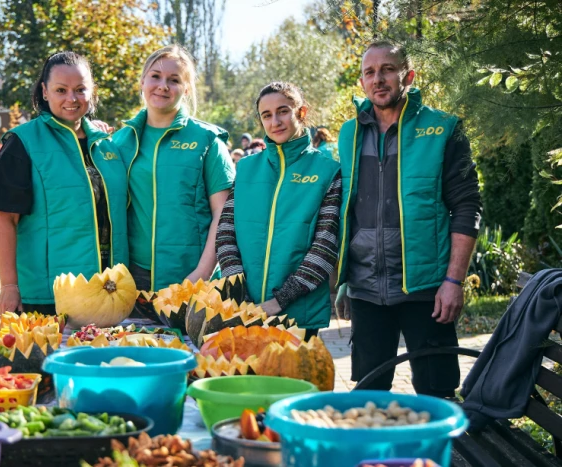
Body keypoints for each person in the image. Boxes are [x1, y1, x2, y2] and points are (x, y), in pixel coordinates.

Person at [334, 40, 482, 397]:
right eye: (370, 72)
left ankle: (440, 454)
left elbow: (467, 207)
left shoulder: (443, 129)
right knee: (370, 394)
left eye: (387, 69)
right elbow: (345, 208)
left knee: (437, 391)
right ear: (361, 82)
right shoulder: (349, 133)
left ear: (408, 76)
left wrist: (453, 281)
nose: (378, 79)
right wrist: (343, 279)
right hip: (366, 289)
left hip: (426, 288)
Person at [0, 51, 129, 316]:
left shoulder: (108, 145)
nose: (71, 99)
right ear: (44, 91)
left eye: (80, 89)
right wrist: (9, 286)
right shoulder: (22, 143)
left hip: (112, 290)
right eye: (60, 90)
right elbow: (5, 219)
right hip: (49, 297)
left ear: (92, 91)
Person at [216, 82, 342, 338]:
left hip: (299, 314)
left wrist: (280, 301)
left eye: (283, 111)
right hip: (245, 311)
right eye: (266, 115)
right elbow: (226, 232)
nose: (275, 121)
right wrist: (239, 291)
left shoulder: (328, 171)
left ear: (301, 112)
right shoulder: (246, 169)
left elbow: (326, 246)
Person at [111, 44, 235, 294]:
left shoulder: (207, 139)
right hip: (131, 280)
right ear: (142, 82)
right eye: (155, 76)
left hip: (191, 276)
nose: (163, 85)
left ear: (186, 89)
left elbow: (224, 213)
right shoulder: (119, 142)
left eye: (174, 80)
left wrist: (202, 272)